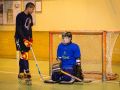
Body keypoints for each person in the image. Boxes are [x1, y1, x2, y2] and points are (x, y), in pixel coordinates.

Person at [14, 2, 35, 80]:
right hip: (19, 39)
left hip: (26, 39)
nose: (33, 11)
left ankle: (21, 73)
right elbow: (18, 29)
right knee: (24, 54)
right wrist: (24, 38)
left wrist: (31, 38)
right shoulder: (19, 16)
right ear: (28, 8)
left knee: (24, 56)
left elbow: (29, 28)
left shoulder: (30, 16)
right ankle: (27, 71)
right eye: (32, 9)